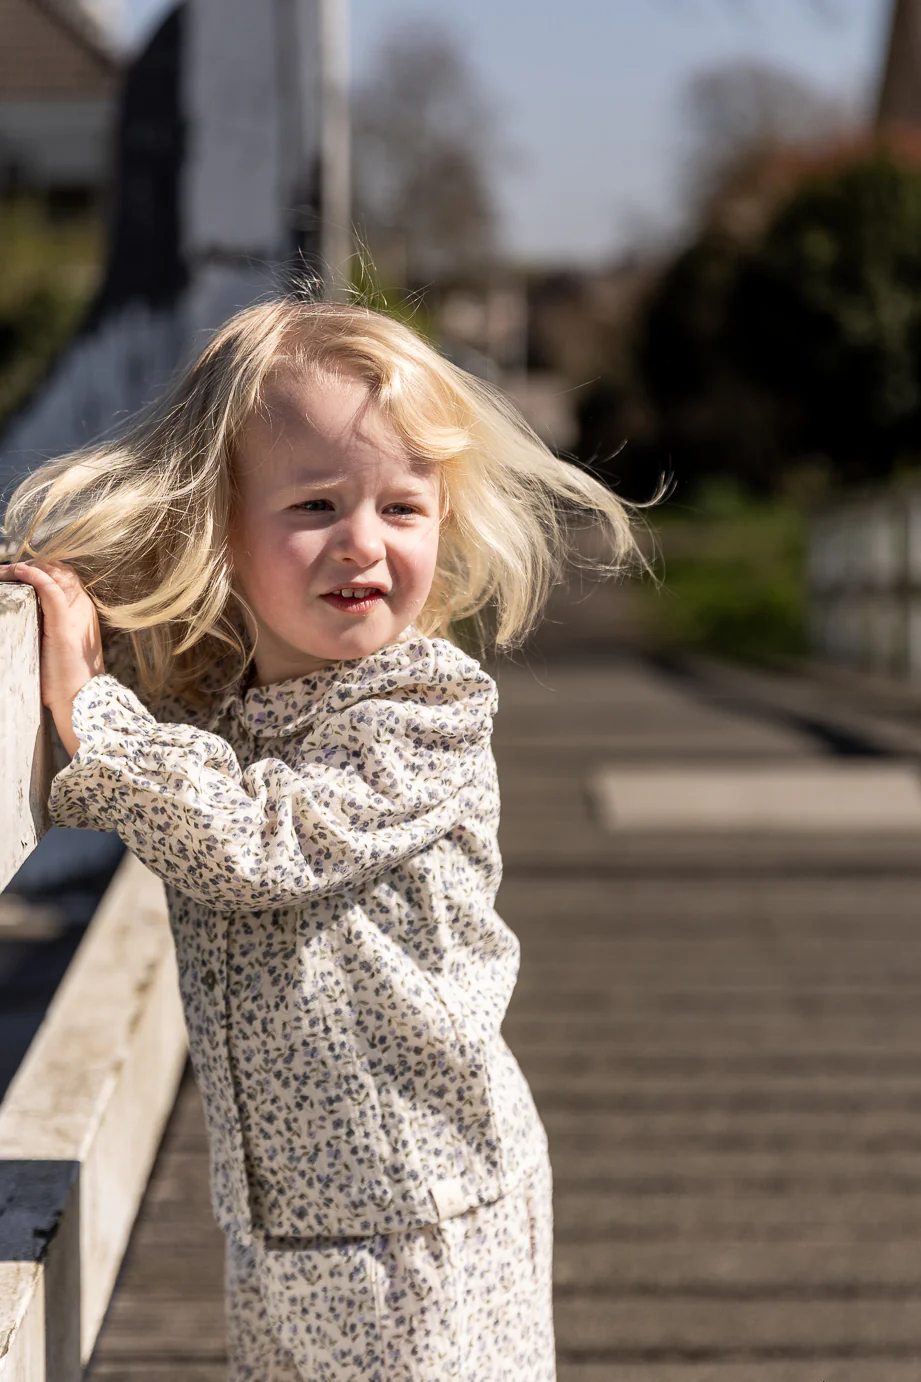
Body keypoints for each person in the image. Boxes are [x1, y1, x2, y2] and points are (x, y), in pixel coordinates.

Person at [0, 297, 641, 1381]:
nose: (362, 542)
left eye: (402, 506)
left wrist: (92, 711)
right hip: (281, 1220)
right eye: (314, 505)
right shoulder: (229, 701)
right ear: (218, 521)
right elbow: (195, 764)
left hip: (423, 1220)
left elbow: (259, 843)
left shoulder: (427, 711)